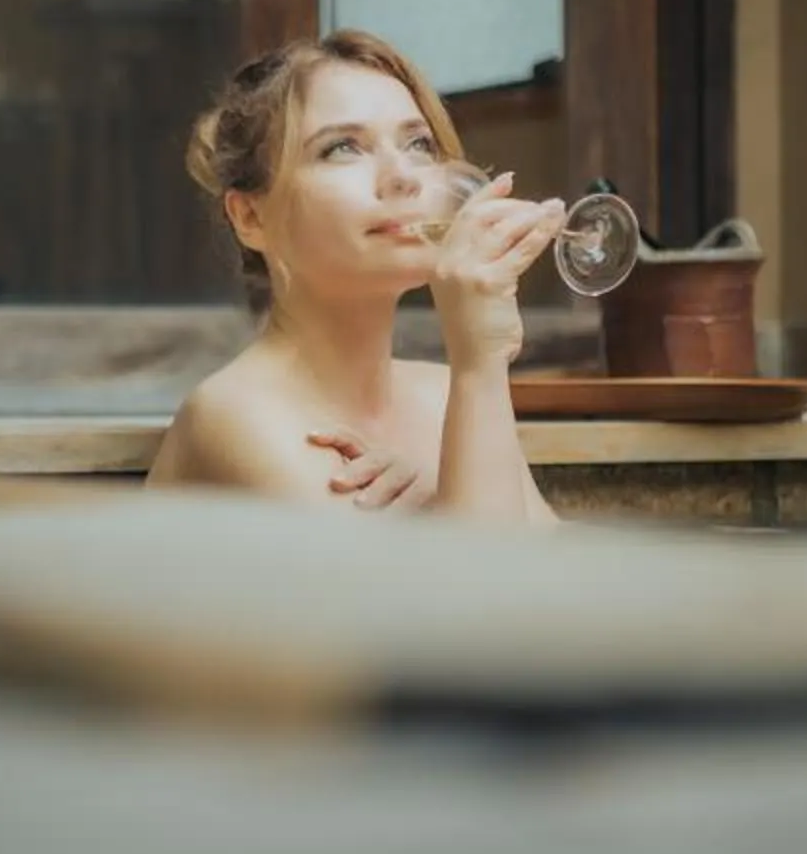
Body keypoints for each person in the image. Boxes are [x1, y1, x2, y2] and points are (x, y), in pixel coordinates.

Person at [144, 31, 562, 522]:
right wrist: (480, 361)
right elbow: (479, 593)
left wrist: (442, 491)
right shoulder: (236, 416)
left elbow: (563, 565)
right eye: (343, 148)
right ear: (250, 218)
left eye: (418, 144)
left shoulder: (442, 392)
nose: (403, 175)